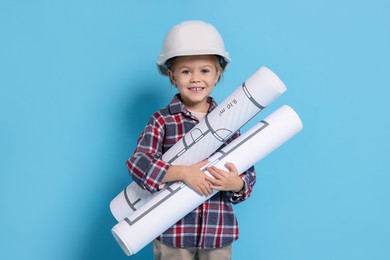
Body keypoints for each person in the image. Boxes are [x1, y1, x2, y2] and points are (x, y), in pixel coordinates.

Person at [126, 20, 256, 260]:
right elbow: (138, 163)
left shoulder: (230, 121)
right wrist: (183, 173)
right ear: (173, 76)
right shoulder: (162, 120)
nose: (196, 78)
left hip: (217, 233)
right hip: (172, 232)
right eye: (186, 71)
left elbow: (248, 173)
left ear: (218, 75)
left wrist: (235, 183)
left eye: (204, 70)